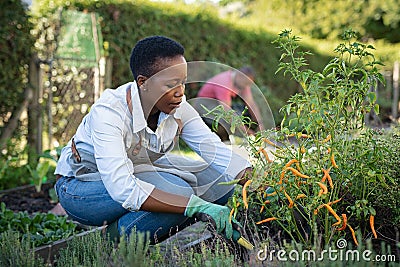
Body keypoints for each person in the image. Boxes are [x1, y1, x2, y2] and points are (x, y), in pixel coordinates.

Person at [54, 36, 252, 244]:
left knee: (221, 182)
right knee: (177, 193)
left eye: (183, 83)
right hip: (82, 188)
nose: (180, 93)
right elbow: (122, 187)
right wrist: (194, 206)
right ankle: (112, 240)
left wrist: (265, 183)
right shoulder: (110, 113)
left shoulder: (178, 107)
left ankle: (134, 226)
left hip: (139, 172)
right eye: (171, 84)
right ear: (143, 82)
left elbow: (214, 151)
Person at [196, 66, 264, 141]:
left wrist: (260, 124)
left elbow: (251, 103)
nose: (246, 86)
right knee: (226, 119)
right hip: (204, 104)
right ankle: (221, 139)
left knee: (242, 113)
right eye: (246, 83)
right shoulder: (224, 83)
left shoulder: (242, 83)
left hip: (219, 103)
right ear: (239, 76)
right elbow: (228, 112)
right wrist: (247, 132)